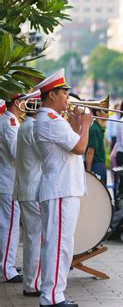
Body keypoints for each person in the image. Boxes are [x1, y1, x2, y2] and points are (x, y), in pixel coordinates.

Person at [33, 68, 92, 307]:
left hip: (62, 189)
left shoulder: (53, 119)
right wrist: (85, 125)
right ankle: (52, 297)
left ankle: (54, 294)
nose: (68, 98)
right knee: (59, 246)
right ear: (51, 95)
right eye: (64, 93)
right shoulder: (50, 120)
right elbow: (79, 148)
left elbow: (72, 145)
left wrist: (77, 124)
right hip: (59, 190)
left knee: (61, 244)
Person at [14, 94, 42, 296]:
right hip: (33, 190)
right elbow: (46, 155)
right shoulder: (32, 127)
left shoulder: (25, 125)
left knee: (32, 238)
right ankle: (33, 284)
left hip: (27, 188)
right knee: (35, 239)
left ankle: (32, 282)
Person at [0, 93, 24, 284]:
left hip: (8, 181)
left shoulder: (12, 121)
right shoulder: (11, 123)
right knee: (10, 227)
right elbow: (17, 154)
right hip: (9, 181)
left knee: (8, 225)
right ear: (17, 103)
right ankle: (7, 269)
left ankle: (6, 264)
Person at [86, 108, 108, 185]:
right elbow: (90, 152)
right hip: (96, 165)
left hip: (100, 164)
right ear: (98, 113)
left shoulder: (98, 127)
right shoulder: (95, 129)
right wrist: (88, 172)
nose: (107, 114)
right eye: (105, 111)